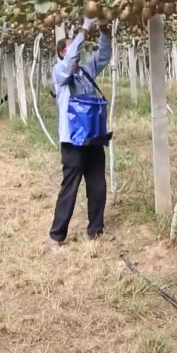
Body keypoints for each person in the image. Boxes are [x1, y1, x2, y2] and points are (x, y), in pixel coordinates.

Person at [47, 16, 113, 250]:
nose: (76, 50)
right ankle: (57, 236)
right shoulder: (60, 74)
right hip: (72, 142)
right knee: (70, 188)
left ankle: (95, 230)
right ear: (64, 52)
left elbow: (104, 55)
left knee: (97, 185)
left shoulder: (85, 71)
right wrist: (84, 30)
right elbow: (71, 58)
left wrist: (105, 31)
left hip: (93, 138)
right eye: (71, 47)